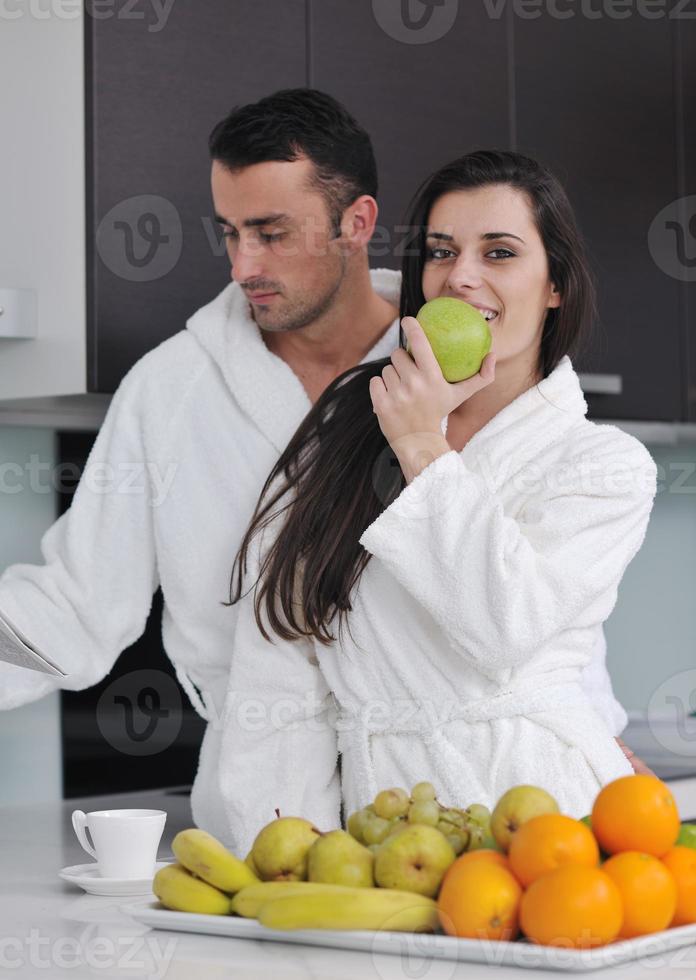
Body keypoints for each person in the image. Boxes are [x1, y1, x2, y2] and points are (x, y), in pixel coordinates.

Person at [0, 90, 643, 825]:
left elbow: (528, 603)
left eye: (272, 233)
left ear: (357, 224)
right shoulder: (170, 390)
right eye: (229, 233)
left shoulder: (465, 375)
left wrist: (589, 738)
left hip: (478, 793)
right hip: (271, 791)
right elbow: (74, 606)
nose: (243, 266)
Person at [216, 149, 658, 855]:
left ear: (555, 286)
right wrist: (289, 852)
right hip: (386, 834)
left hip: (547, 826)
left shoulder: (603, 467)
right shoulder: (344, 442)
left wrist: (425, 448)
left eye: (501, 252)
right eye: (442, 251)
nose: (462, 277)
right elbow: (280, 659)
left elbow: (505, 627)